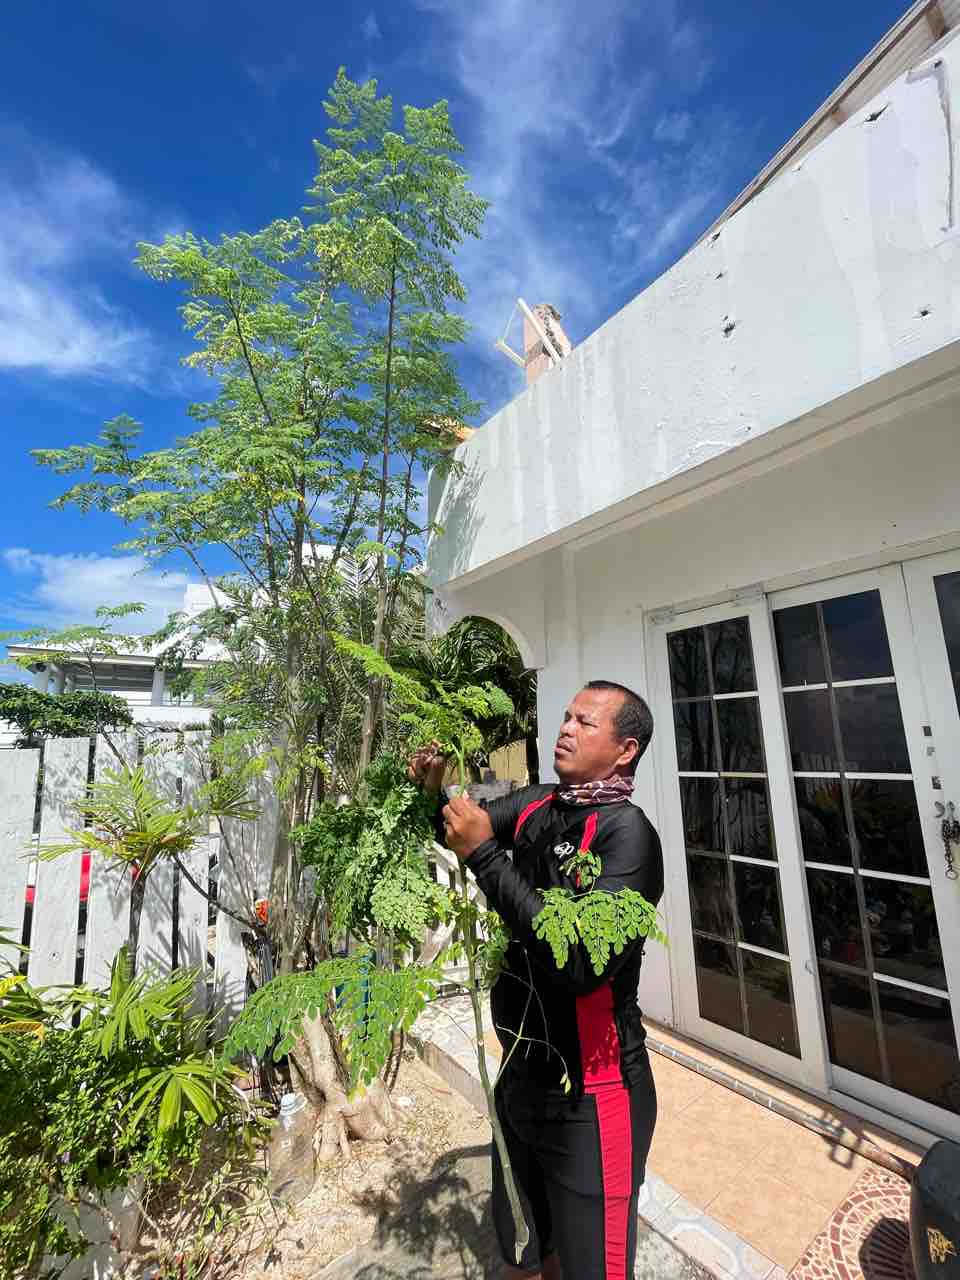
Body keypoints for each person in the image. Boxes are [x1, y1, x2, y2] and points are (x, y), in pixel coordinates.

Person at [408, 680, 663, 1280]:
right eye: (566, 716)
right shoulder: (539, 804)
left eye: (585, 722)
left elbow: (580, 964)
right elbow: (460, 826)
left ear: (625, 750)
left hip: (592, 1096)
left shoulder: (628, 835)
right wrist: (434, 790)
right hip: (520, 1077)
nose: (565, 728)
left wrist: (486, 858)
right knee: (526, 1249)